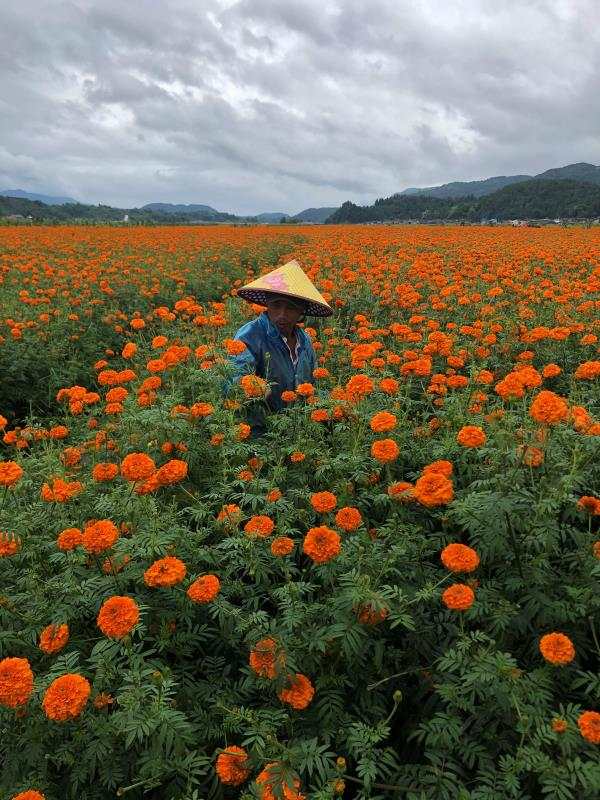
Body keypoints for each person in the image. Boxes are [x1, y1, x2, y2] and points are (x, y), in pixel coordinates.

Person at [226, 259, 332, 437]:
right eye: (276, 305)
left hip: (298, 432)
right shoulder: (250, 335)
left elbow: (313, 384)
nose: (282, 314)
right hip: (260, 434)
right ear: (267, 304)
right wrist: (256, 389)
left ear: (301, 312)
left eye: (291, 308)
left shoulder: (304, 341)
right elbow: (236, 384)